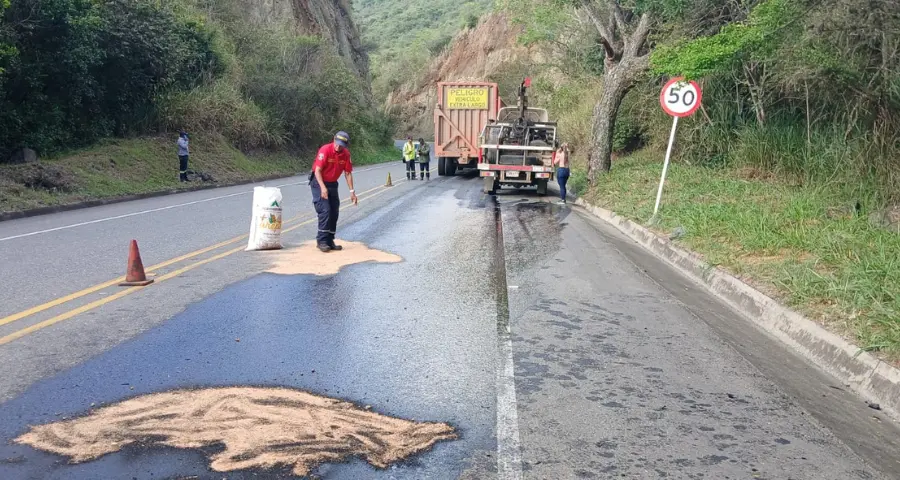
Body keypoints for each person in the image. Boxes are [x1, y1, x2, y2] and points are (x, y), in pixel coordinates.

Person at [310, 131, 358, 252]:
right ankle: (321, 241)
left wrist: (352, 192)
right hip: (318, 182)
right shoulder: (325, 150)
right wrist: (322, 188)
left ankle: (330, 240)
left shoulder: (346, 154)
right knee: (325, 210)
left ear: (345, 146)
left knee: (334, 211)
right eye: (337, 143)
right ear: (333, 140)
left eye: (341, 145)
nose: (338, 146)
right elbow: (317, 170)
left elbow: (347, 173)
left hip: (332, 184)